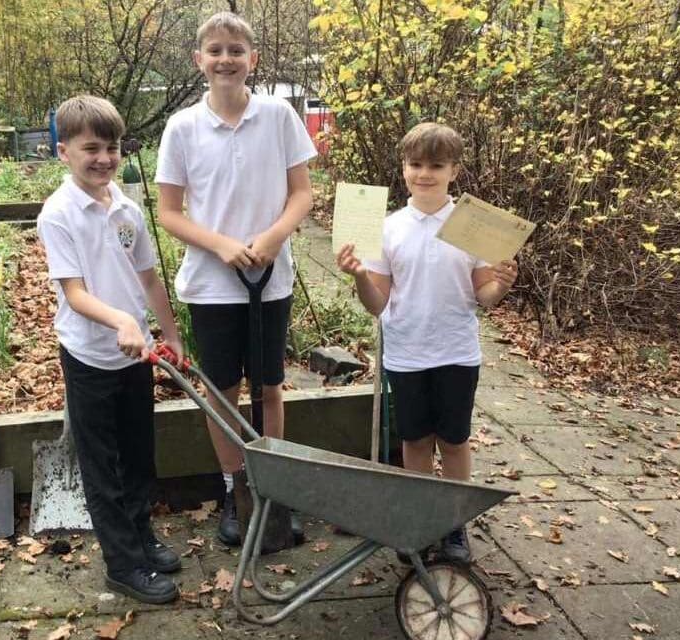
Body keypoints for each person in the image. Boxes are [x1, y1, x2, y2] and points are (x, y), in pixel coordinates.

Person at [155, 11, 316, 546]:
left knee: (269, 386)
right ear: (199, 60)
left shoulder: (278, 117)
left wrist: (270, 240)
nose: (226, 59)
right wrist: (222, 245)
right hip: (211, 284)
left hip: (271, 281)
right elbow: (170, 212)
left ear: (254, 60)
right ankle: (235, 491)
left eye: (236, 50)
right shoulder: (182, 127)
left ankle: (274, 488)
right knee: (223, 391)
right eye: (216, 50)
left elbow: (302, 194)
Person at [336, 122, 518, 563]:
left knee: (454, 441)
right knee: (416, 441)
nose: (425, 174)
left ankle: (453, 523)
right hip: (406, 353)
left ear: (454, 171)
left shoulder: (472, 227)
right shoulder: (388, 228)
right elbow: (377, 305)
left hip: (456, 351)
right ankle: (420, 521)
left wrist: (504, 284)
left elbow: (485, 297)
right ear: (403, 169)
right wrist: (360, 275)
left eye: (436, 165)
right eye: (416, 164)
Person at [37, 95, 184, 603]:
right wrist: (122, 320)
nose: (103, 158)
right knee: (101, 465)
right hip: (90, 357)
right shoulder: (58, 214)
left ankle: (141, 537)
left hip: (136, 353)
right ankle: (122, 565)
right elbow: (75, 294)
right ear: (64, 152)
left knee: (139, 454)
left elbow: (148, 278)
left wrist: (170, 334)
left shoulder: (125, 206)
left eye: (112, 147)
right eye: (90, 148)